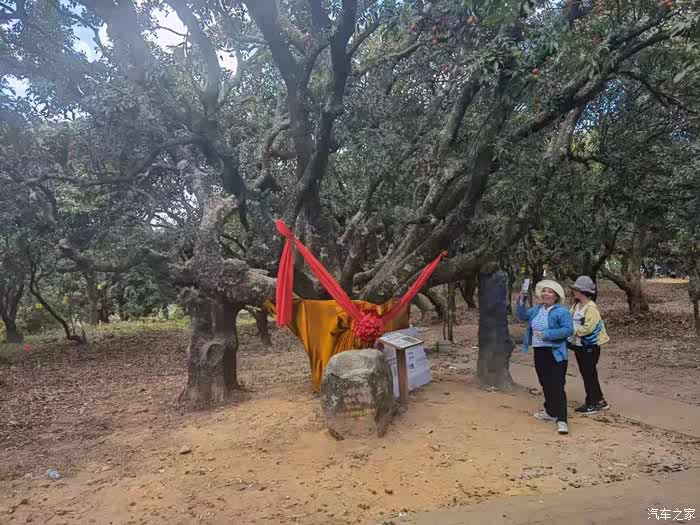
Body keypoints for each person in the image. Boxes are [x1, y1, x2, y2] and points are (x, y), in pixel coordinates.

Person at [518, 280, 574, 435]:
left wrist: (546, 334)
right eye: (544, 291)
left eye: (550, 292)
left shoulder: (561, 311)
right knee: (546, 383)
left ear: (556, 296)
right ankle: (550, 412)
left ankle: (562, 420)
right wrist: (521, 301)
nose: (546, 294)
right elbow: (522, 316)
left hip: (555, 352)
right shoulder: (537, 309)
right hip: (539, 351)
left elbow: (568, 330)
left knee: (557, 385)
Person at [569, 276, 610, 414]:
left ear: (583, 291)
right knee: (588, 373)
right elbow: (569, 319)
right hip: (579, 345)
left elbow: (588, 328)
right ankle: (600, 401)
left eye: (576, 289)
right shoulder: (576, 305)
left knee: (588, 374)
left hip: (590, 346)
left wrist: (571, 332)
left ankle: (591, 403)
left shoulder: (591, 308)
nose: (574, 291)